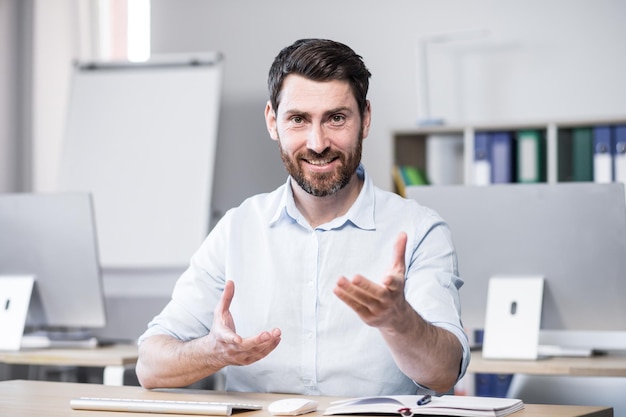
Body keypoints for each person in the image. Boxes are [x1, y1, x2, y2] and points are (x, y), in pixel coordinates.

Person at [136, 38, 470, 397]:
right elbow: (150, 366)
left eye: (336, 118)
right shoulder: (237, 228)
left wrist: (399, 321)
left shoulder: (419, 230)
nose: (317, 142)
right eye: (298, 119)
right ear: (272, 121)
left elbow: (443, 373)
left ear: (366, 119)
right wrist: (213, 352)